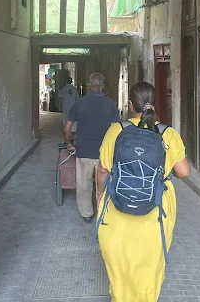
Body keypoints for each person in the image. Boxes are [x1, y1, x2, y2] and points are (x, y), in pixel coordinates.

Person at [96, 81, 190, 302]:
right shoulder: (168, 133)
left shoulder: (116, 130)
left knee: (120, 266)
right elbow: (184, 171)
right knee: (150, 266)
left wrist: (100, 193)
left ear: (130, 105)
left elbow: (102, 169)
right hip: (156, 208)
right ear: (153, 105)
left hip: (118, 206)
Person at [64, 73, 120, 223]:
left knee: (83, 183)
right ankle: (103, 211)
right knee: (104, 183)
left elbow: (67, 128)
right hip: (104, 153)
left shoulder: (79, 103)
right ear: (103, 86)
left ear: (89, 86)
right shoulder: (111, 104)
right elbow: (115, 130)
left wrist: (69, 144)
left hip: (83, 150)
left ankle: (87, 214)